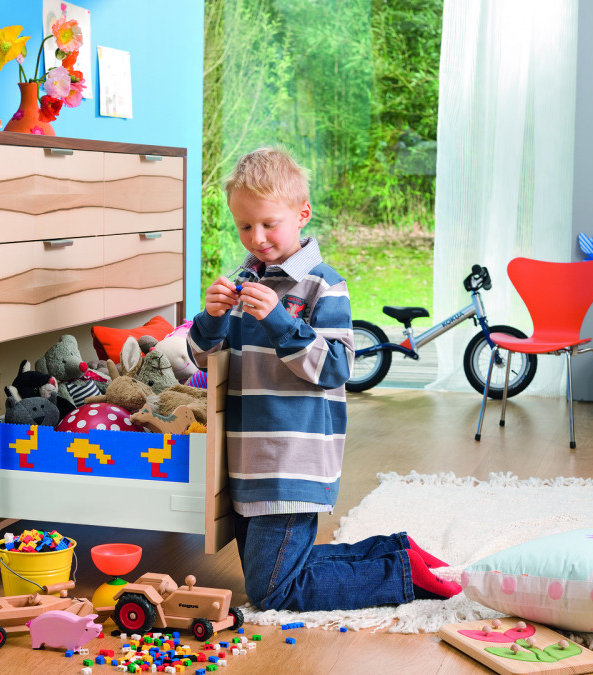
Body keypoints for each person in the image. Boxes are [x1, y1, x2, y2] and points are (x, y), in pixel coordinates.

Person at [187, 147, 462, 611]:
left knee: (271, 590)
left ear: (302, 214)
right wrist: (211, 317)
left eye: (269, 223)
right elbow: (202, 357)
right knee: (279, 568)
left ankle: (397, 574)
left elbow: (336, 367)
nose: (257, 237)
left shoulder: (322, 284)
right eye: (244, 226)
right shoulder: (244, 280)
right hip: (248, 458)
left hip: (294, 460)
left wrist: (278, 319)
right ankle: (395, 551)